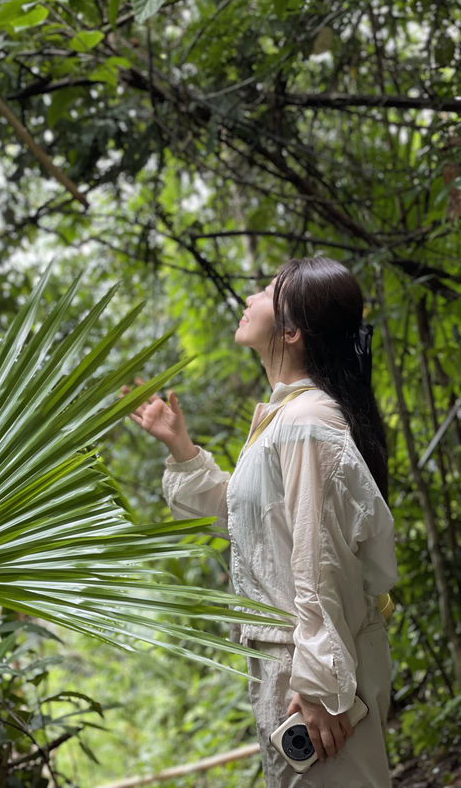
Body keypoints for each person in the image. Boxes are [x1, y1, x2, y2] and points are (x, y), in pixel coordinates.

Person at [129, 257, 398, 788]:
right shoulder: (286, 420)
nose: (248, 298)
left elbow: (317, 557)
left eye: (264, 291)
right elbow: (248, 525)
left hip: (312, 666)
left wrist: (320, 682)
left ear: (292, 332)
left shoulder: (304, 423)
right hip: (297, 661)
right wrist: (180, 446)